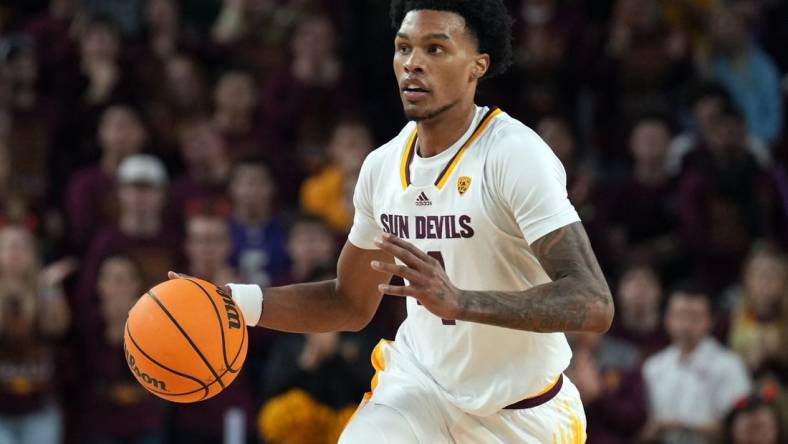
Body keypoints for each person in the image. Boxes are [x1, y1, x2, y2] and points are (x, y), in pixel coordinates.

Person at [173, 1, 613, 442]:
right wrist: (235, 303)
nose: (413, 64)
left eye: (435, 49)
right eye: (404, 48)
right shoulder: (382, 167)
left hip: (521, 412)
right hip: (418, 389)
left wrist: (461, 302)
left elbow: (593, 302)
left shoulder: (514, 155)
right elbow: (348, 301)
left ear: (478, 65)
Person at [642, 283, 751, 444]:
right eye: (680, 315)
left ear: (710, 320)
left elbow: (739, 427)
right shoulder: (653, 366)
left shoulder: (730, 366)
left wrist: (684, 426)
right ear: (667, 319)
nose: (686, 324)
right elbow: (643, 428)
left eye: (694, 317)